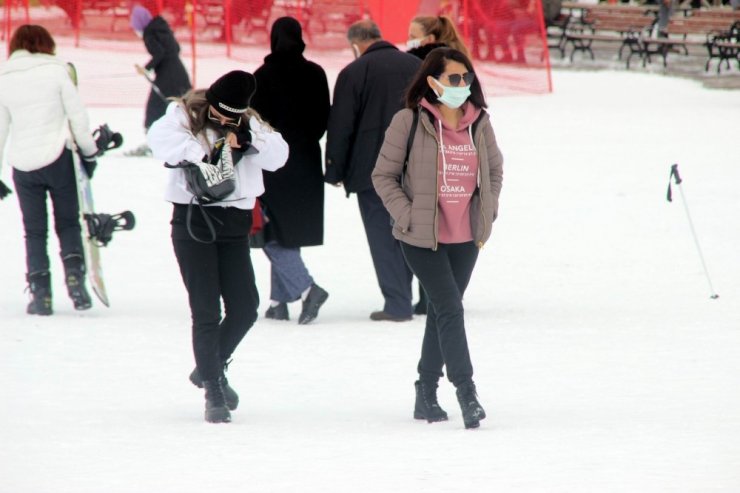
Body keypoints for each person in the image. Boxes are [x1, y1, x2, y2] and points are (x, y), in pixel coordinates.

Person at [372, 47, 503, 429]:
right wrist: (408, 215)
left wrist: (487, 209)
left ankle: (425, 393)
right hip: (421, 237)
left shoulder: (480, 123)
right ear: (432, 82)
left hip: (466, 237)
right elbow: (383, 176)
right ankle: (467, 391)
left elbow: (494, 170)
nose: (462, 85)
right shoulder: (409, 121)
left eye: (467, 78)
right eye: (454, 79)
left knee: (442, 311)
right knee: (450, 308)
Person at [147, 71, 289, 423]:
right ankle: (214, 387)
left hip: (234, 224)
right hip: (192, 222)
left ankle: (209, 366)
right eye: (222, 113)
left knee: (245, 306)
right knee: (206, 309)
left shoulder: (249, 123)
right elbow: (159, 139)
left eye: (233, 115)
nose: (226, 120)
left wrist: (247, 139)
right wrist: (208, 149)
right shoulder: (184, 113)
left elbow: (280, 156)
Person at [325, 19, 421, 322]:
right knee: (414, 232)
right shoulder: (416, 65)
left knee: (383, 236)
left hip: (372, 170)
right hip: (418, 165)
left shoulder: (353, 73)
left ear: (356, 43)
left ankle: (397, 303)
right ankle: (424, 300)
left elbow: (340, 125)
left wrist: (334, 169)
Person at [0, 24, 100, 315]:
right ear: (46, 44)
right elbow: (77, 117)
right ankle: (75, 279)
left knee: (33, 231)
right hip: (58, 158)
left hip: (23, 164)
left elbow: (1, 128)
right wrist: (89, 153)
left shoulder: (4, 78)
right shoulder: (57, 72)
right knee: (68, 223)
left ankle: (41, 294)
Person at [251, 16, 331, 324]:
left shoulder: (261, 76)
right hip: (307, 160)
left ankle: (308, 288)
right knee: (288, 231)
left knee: (269, 230)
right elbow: (324, 118)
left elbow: (256, 125)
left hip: (272, 165)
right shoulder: (316, 74)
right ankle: (279, 301)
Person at [406, 14, 471, 315]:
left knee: (428, 228)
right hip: (454, 162)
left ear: (429, 38)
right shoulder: (460, 59)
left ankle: (432, 296)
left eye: (413, 34)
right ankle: (438, 295)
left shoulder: (428, 65)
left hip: (439, 157)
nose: (409, 39)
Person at [129, 5, 191, 154]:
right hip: (179, 73)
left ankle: (154, 142)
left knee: (155, 107)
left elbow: (159, 53)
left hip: (167, 77)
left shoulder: (149, 33)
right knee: (180, 106)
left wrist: (146, 68)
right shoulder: (161, 28)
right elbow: (175, 49)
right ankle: (181, 137)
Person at [406, 15, 471, 61]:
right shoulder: (453, 59)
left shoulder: (430, 65)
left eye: (413, 37)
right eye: (409, 37)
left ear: (430, 39)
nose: (409, 41)